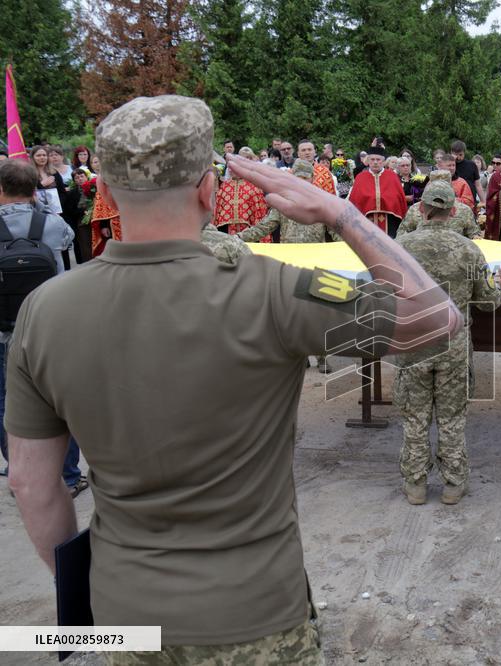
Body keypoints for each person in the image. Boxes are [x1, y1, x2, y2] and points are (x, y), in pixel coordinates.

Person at [5, 94, 460, 663]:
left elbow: (30, 482)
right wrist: (339, 212)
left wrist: (90, 598)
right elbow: (434, 319)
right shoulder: (273, 288)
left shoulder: (44, 310)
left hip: (127, 615)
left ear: (107, 192)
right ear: (207, 189)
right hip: (258, 616)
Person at [393, 181, 501, 505]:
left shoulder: (402, 247)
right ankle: (453, 484)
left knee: (415, 417)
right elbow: (488, 301)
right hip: (453, 343)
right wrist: (498, 286)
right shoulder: (469, 249)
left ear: (422, 209)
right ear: (454, 211)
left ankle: (415, 484)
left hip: (414, 340)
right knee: (452, 417)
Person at [0, 159, 82, 494]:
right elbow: (68, 244)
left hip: (4, 328)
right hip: (49, 324)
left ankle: (20, 470)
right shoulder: (52, 224)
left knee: (6, 399)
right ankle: (68, 475)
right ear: (34, 189)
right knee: (59, 399)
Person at [238, 160, 327, 244]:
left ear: (312, 178)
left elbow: (336, 230)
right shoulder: (283, 201)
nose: (301, 181)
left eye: (305, 178)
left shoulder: (323, 202)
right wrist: (237, 238)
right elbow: (264, 227)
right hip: (289, 255)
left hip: (315, 255)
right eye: (298, 178)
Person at [396, 170, 481, 240]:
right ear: (451, 185)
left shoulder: (416, 208)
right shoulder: (463, 209)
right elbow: (475, 238)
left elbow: (401, 236)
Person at [213, 147, 271, 240]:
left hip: (248, 230)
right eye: (229, 167)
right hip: (226, 229)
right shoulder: (225, 186)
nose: (231, 169)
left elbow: (259, 211)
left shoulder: (254, 185)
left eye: (233, 166)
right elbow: (217, 208)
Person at [347, 146, 407, 235]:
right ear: (368, 161)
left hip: (390, 221)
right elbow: (355, 200)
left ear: (383, 162)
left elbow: (399, 199)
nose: (375, 162)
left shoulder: (392, 176)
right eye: (372, 159)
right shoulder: (360, 177)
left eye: (378, 160)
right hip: (366, 222)